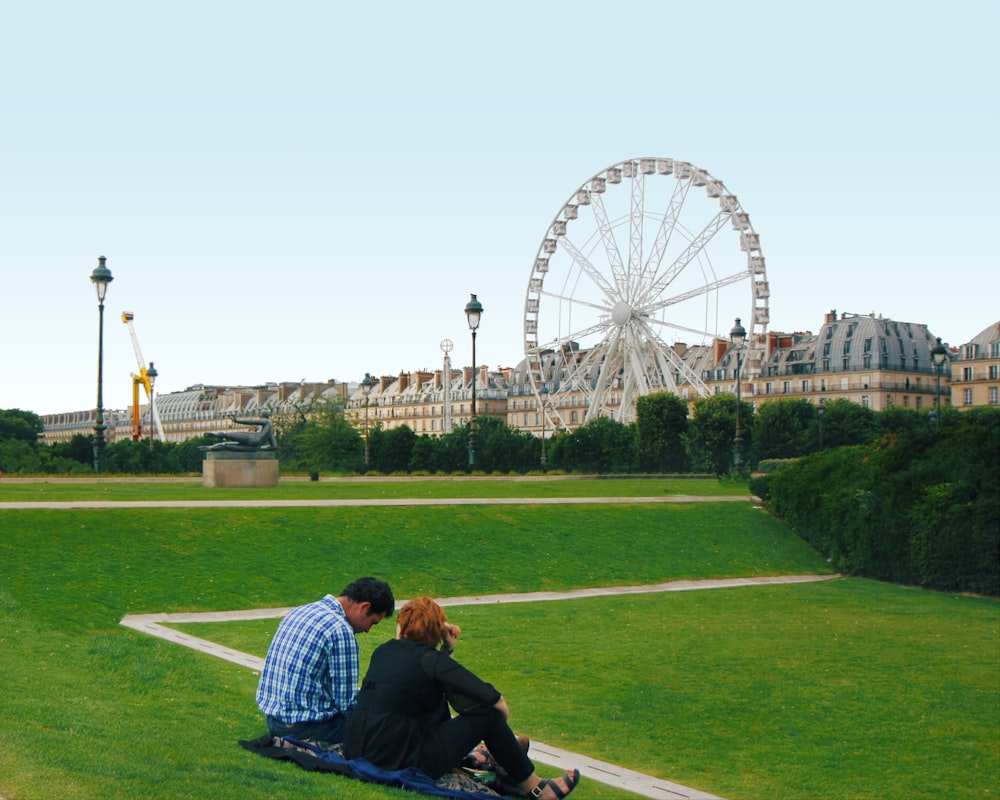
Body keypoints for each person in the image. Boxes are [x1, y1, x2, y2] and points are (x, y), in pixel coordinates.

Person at [343, 597, 581, 800]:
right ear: (437, 631)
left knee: (428, 701)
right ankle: (536, 787)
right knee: (488, 715)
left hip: (360, 747)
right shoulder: (432, 661)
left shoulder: (383, 651)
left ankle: (494, 756)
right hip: (400, 759)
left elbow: (420, 677)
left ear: (402, 626)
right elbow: (496, 703)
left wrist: (443, 649)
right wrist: (445, 645)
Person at [255, 577, 395, 744]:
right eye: (372, 623)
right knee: (386, 735)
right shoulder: (340, 631)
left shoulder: (300, 611)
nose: (367, 630)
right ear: (364, 607)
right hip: (304, 727)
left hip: (274, 720)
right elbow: (347, 704)